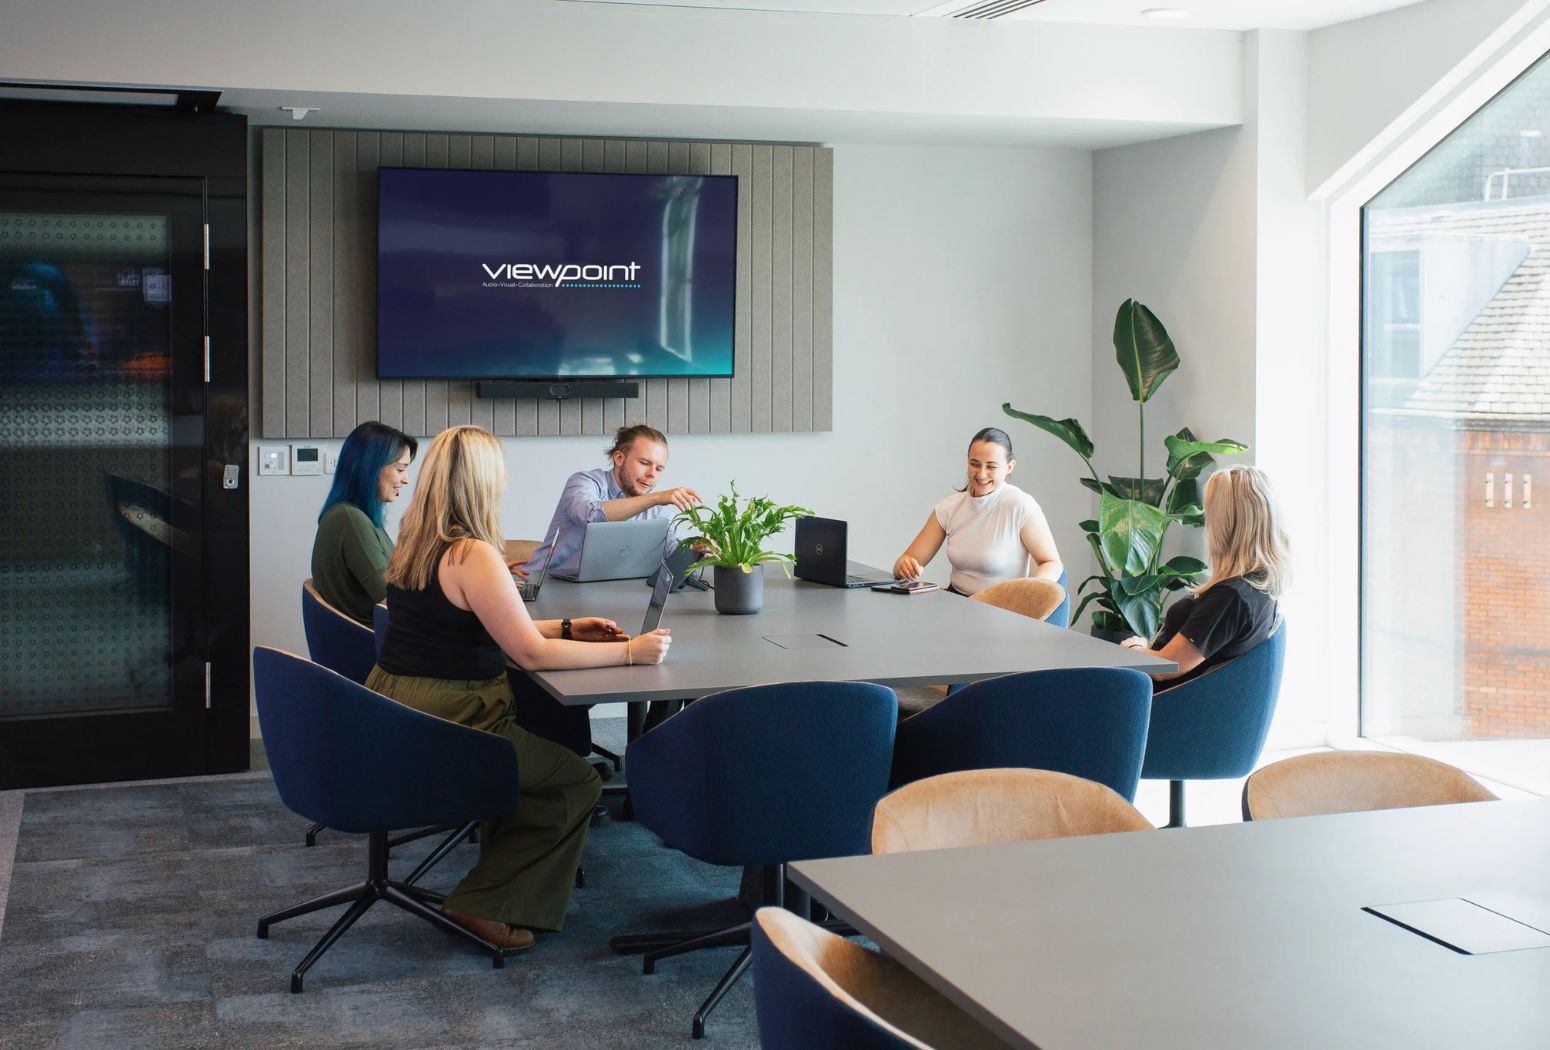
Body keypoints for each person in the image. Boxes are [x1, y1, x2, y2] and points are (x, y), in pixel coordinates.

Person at [367, 425, 671, 951]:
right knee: (575, 781)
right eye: (499, 470)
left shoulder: (417, 540)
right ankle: (484, 903)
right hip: (454, 717)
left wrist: (571, 627)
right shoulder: (473, 554)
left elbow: (488, 626)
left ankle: (496, 886)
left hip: (401, 705)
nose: (506, 478)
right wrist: (629, 651)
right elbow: (528, 653)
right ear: (480, 481)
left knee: (540, 758)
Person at [1119, 464, 1288, 685]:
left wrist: (1133, 648)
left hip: (1165, 706)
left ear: (1225, 524)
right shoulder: (1260, 585)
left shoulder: (1230, 598)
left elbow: (1166, 667)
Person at [892, 427, 1062, 595]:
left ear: (1009, 467)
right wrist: (904, 567)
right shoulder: (949, 508)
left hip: (1003, 609)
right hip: (957, 604)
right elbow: (905, 561)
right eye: (975, 464)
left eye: (991, 466)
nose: (981, 474)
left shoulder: (1020, 505)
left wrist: (1030, 594)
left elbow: (1051, 562)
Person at [525, 423, 702, 578]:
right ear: (619, 458)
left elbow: (673, 557)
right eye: (644, 463)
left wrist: (695, 551)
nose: (652, 474)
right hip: (544, 584)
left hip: (605, 593)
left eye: (659, 468)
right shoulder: (584, 482)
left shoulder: (660, 507)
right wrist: (655, 498)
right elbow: (591, 516)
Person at [310, 421, 418, 625]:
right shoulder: (349, 520)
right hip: (373, 647)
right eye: (400, 469)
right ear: (372, 468)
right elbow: (394, 601)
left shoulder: (357, 516)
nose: (406, 480)